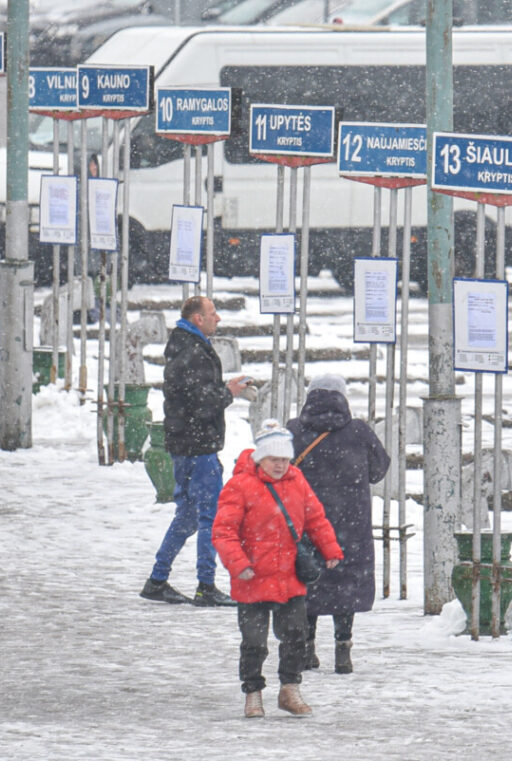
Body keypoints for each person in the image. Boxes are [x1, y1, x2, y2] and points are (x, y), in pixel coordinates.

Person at [212, 420, 342, 718]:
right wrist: (239, 564)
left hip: (288, 578)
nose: (280, 465)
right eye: (274, 459)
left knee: (296, 636)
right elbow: (223, 532)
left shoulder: (297, 481)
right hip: (252, 579)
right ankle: (253, 694)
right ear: (260, 458)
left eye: (285, 459)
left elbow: (315, 519)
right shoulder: (240, 486)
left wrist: (330, 548)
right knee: (254, 643)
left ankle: (290, 690)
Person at [140, 296, 251, 607]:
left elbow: (191, 394)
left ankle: (157, 579)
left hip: (183, 444)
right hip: (198, 446)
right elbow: (201, 401)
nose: (218, 319)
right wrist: (228, 392)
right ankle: (206, 585)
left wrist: (221, 390)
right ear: (198, 319)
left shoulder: (183, 345)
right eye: (213, 314)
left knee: (188, 516)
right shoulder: (193, 351)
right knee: (210, 517)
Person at [288, 373, 390, 675]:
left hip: (306, 520)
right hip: (351, 524)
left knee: (308, 579)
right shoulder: (358, 431)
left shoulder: (293, 429)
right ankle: (343, 648)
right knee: (345, 584)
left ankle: (307, 648)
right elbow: (378, 470)